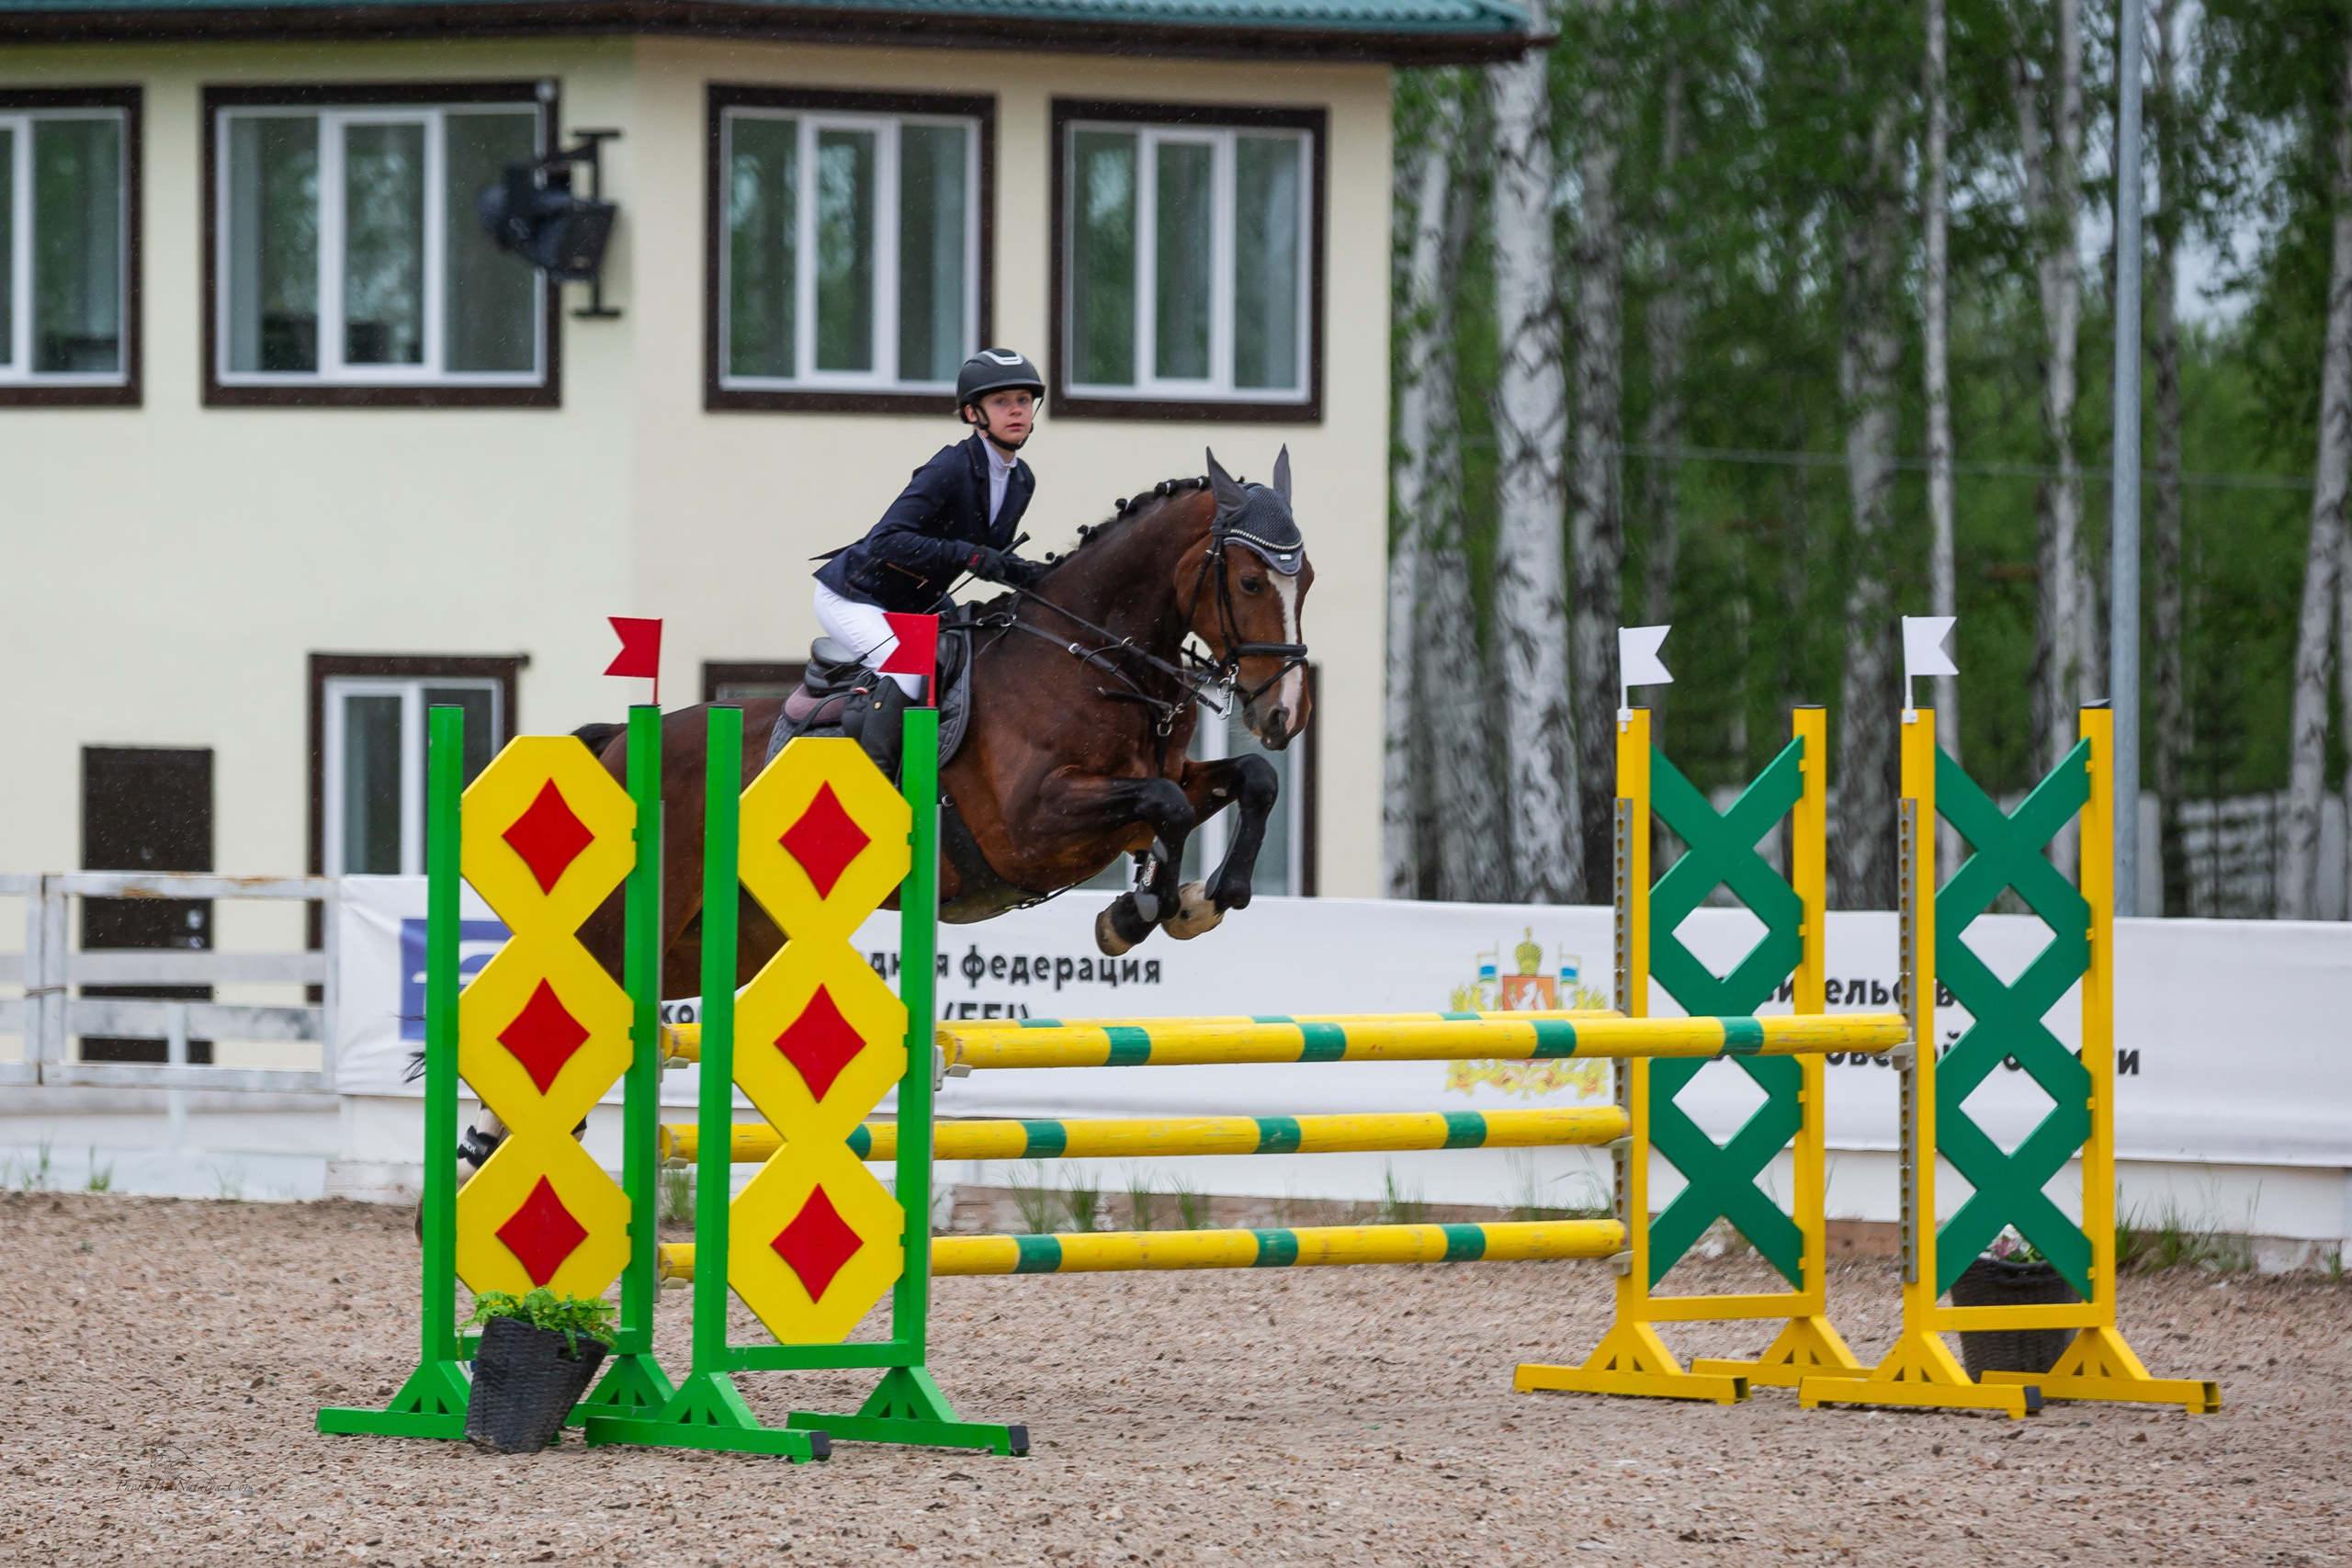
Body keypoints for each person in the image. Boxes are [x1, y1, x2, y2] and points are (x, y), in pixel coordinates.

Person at [813, 348, 1052, 702]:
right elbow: (884, 540)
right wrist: (966, 554)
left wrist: (1044, 576)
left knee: (968, 673)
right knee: (911, 677)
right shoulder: (950, 466)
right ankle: (886, 759)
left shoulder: (1022, 481)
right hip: (857, 596)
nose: (1017, 410)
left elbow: (992, 559)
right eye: (1001, 401)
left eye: (1024, 400)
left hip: (917, 605)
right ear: (973, 413)